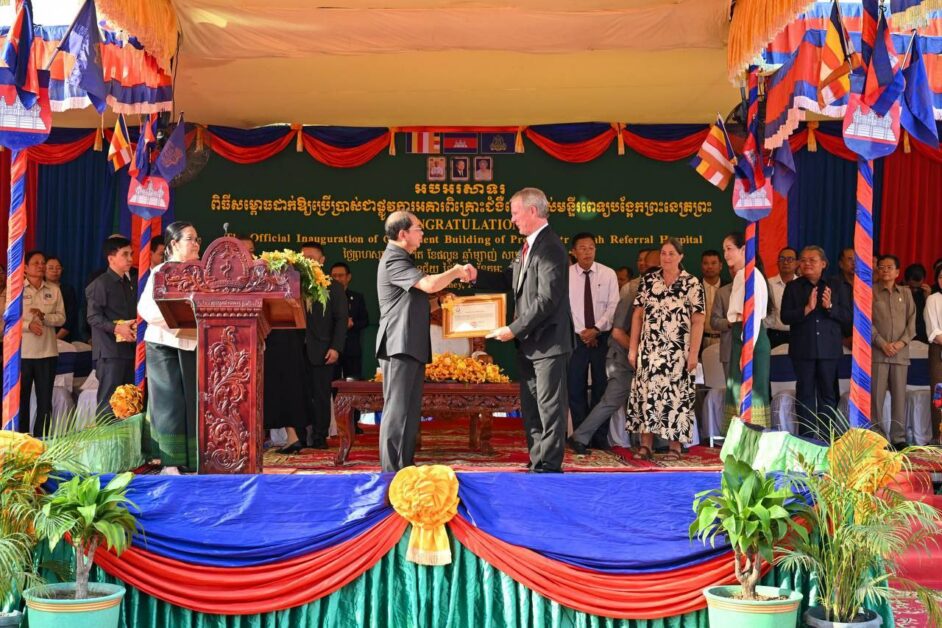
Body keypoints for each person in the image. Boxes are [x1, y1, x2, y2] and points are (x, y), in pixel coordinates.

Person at [475, 187, 574, 473]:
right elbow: (509, 279)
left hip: (549, 343)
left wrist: (514, 328)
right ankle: (537, 459)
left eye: (515, 213)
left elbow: (547, 300)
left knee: (550, 408)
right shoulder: (528, 246)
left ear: (532, 211)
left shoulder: (551, 247)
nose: (512, 219)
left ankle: (549, 465)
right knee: (531, 408)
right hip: (530, 344)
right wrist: (475, 275)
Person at [376, 211, 473, 472]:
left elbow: (414, 304)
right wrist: (455, 271)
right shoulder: (394, 259)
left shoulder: (404, 259)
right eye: (418, 228)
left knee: (409, 411)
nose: (422, 233)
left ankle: (405, 467)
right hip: (398, 344)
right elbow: (429, 284)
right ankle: (391, 473)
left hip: (410, 345)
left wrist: (439, 302)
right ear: (402, 234)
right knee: (397, 410)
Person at [627, 238, 704, 459]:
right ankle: (646, 445)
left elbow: (698, 320)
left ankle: (674, 447)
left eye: (671, 253)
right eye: (663, 253)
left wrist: (693, 354)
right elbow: (637, 316)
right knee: (647, 396)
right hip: (650, 350)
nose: (667, 257)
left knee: (676, 398)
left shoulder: (692, 283)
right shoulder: (648, 281)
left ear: (681, 257)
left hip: (678, 352)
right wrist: (633, 348)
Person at [138, 223, 201, 473]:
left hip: (192, 343)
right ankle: (170, 463)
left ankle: (193, 461)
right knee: (169, 403)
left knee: (192, 402)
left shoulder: (201, 272)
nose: (196, 244)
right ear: (174, 243)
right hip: (164, 344)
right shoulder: (161, 271)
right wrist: (177, 324)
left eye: (197, 239)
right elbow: (145, 309)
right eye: (190, 239)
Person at [780, 245, 852, 437]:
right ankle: (807, 438)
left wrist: (830, 306)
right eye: (803, 260)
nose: (807, 264)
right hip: (803, 349)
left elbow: (848, 317)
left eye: (812, 260)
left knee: (828, 394)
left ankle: (828, 438)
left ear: (824, 264)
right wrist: (806, 310)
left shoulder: (838, 286)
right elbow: (785, 317)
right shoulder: (793, 287)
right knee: (805, 394)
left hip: (829, 350)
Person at [567, 291, 633, 454]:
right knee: (610, 399)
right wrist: (638, 353)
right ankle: (580, 436)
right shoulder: (631, 294)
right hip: (623, 358)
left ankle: (658, 441)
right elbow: (617, 332)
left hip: (641, 358)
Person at [567, 232, 619, 434]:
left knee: (601, 388)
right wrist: (584, 332)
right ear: (574, 252)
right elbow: (566, 309)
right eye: (582, 248)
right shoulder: (565, 275)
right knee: (575, 388)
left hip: (602, 338)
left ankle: (599, 435)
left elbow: (613, 306)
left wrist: (596, 329)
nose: (587, 252)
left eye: (591, 248)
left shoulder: (608, 274)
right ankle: (580, 436)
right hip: (575, 338)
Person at [721, 233, 771, 430]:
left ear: (743, 249)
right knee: (737, 389)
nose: (726, 254)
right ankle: (740, 437)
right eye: (724, 250)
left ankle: (751, 438)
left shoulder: (750, 274)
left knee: (752, 391)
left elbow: (753, 315)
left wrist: (747, 348)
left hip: (750, 337)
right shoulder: (742, 274)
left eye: (729, 249)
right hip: (741, 335)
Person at [301, 247, 348, 451]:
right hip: (296, 348)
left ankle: (320, 435)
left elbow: (341, 320)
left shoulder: (333, 287)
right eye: (303, 258)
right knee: (299, 393)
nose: (306, 261)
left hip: (322, 349)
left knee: (321, 394)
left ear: (322, 260)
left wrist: (336, 348)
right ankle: (299, 436)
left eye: (311, 258)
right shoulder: (293, 284)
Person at [86, 236, 137, 417]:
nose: (130, 259)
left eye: (131, 254)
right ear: (111, 258)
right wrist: (118, 328)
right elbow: (93, 317)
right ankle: (105, 435)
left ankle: (125, 435)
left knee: (129, 401)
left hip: (128, 349)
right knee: (109, 402)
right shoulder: (100, 283)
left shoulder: (128, 283)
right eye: (125, 254)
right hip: (109, 351)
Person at [871, 254, 916, 448]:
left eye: (890, 267)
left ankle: (898, 439)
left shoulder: (905, 293)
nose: (885, 270)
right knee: (876, 399)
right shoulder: (870, 292)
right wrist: (882, 343)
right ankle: (877, 439)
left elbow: (912, 322)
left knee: (899, 398)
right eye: (881, 267)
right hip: (878, 354)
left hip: (900, 354)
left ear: (897, 272)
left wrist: (901, 343)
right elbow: (865, 321)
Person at [21, 250, 64, 436]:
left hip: (47, 353)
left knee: (45, 401)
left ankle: (42, 440)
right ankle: (20, 439)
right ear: (25, 268)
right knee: (20, 401)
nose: (41, 266)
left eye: (42, 262)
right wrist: (28, 325)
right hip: (22, 354)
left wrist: (44, 317)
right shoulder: (16, 289)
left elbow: (62, 318)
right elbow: (6, 320)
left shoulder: (54, 290)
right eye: (36, 263)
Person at [330, 262, 369, 381]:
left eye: (340, 275)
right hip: (332, 348)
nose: (337, 279)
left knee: (353, 383)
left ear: (348, 277)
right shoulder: (325, 297)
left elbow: (365, 321)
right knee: (331, 382)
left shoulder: (357, 298)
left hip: (352, 349)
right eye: (334, 276)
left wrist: (352, 324)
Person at [924, 264, 942, 444]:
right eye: (941, 277)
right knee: (939, 394)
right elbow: (933, 330)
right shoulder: (933, 299)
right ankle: (939, 438)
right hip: (939, 351)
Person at [766, 247, 798, 348]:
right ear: (777, 263)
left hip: (797, 335)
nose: (785, 262)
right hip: (773, 336)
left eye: (790, 259)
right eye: (782, 259)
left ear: (797, 263)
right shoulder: (768, 284)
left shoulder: (802, 285)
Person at [44, 256, 78, 342]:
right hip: (41, 335)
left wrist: (56, 338)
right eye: (51, 268)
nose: (55, 271)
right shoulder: (38, 289)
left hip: (62, 337)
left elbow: (71, 316)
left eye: (58, 268)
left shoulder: (67, 289)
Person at [700, 249, 723, 353]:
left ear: (720, 266)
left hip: (724, 340)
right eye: (706, 263)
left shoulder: (729, 287)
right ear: (701, 266)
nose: (709, 267)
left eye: (713, 263)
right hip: (701, 341)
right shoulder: (694, 287)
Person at [904, 263, 930, 343]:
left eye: (918, 287)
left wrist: (928, 299)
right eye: (912, 287)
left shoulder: (925, 291)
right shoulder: (899, 291)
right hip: (903, 336)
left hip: (922, 337)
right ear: (905, 281)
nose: (915, 290)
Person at [837, 247, 855, 349]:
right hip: (839, 343)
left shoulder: (867, 285)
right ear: (841, 264)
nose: (854, 263)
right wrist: (842, 339)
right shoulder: (832, 284)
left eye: (857, 260)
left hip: (865, 341)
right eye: (850, 259)